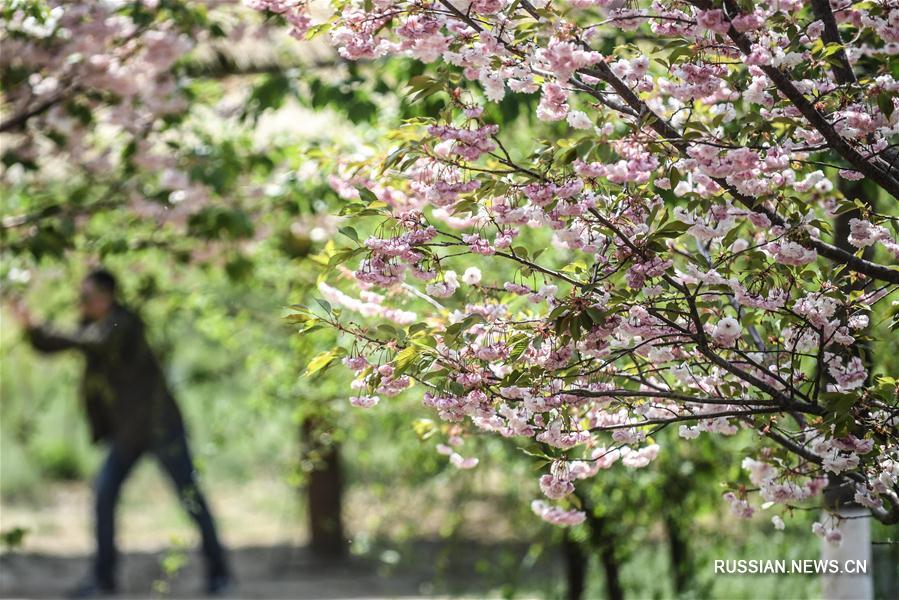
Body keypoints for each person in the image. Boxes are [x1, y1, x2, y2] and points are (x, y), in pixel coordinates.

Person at [9, 269, 232, 598]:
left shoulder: (123, 324)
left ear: (106, 296)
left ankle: (220, 576)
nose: (81, 303)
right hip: (129, 434)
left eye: (87, 296)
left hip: (160, 428)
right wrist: (29, 324)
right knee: (104, 496)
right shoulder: (95, 326)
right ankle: (103, 580)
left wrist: (42, 327)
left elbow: (89, 342)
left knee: (190, 498)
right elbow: (55, 343)